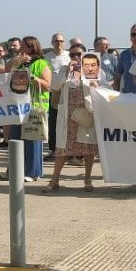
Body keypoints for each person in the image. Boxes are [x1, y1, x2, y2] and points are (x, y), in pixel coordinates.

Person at [46, 50, 102, 192]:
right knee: (62, 150)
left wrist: (96, 85)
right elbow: (54, 86)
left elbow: (105, 87)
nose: (76, 57)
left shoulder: (93, 69)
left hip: (85, 115)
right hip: (67, 116)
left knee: (88, 149)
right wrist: (66, 72)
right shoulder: (64, 70)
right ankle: (54, 180)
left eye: (79, 54)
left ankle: (87, 179)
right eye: (73, 55)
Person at [5, 36, 52, 180]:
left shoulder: (41, 63)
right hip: (18, 107)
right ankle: (14, 171)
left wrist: (32, 78)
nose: (21, 48)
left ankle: (33, 172)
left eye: (23, 46)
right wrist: (16, 62)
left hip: (34, 108)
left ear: (32, 47)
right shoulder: (19, 62)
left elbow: (47, 85)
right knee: (15, 139)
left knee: (32, 141)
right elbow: (5, 74)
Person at [115, 23, 136, 93]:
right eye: (133, 34)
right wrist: (116, 95)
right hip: (128, 95)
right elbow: (117, 76)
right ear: (130, 37)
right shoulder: (124, 55)